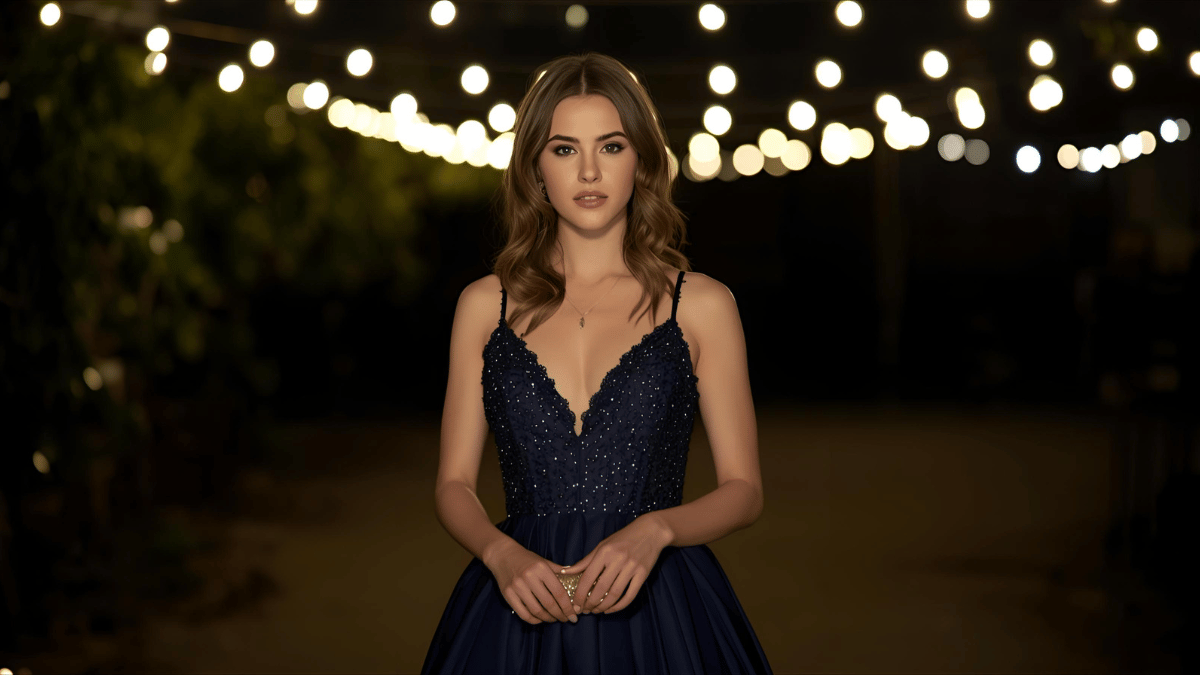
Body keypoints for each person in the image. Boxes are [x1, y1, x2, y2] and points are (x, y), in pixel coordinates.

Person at [421, 52, 771, 673]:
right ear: (535, 165)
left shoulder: (703, 304)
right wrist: (500, 555)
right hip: (517, 601)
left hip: (661, 605)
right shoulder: (484, 304)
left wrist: (659, 530)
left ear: (641, 159)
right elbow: (453, 485)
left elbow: (744, 491)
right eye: (563, 150)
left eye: (610, 147)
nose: (588, 171)